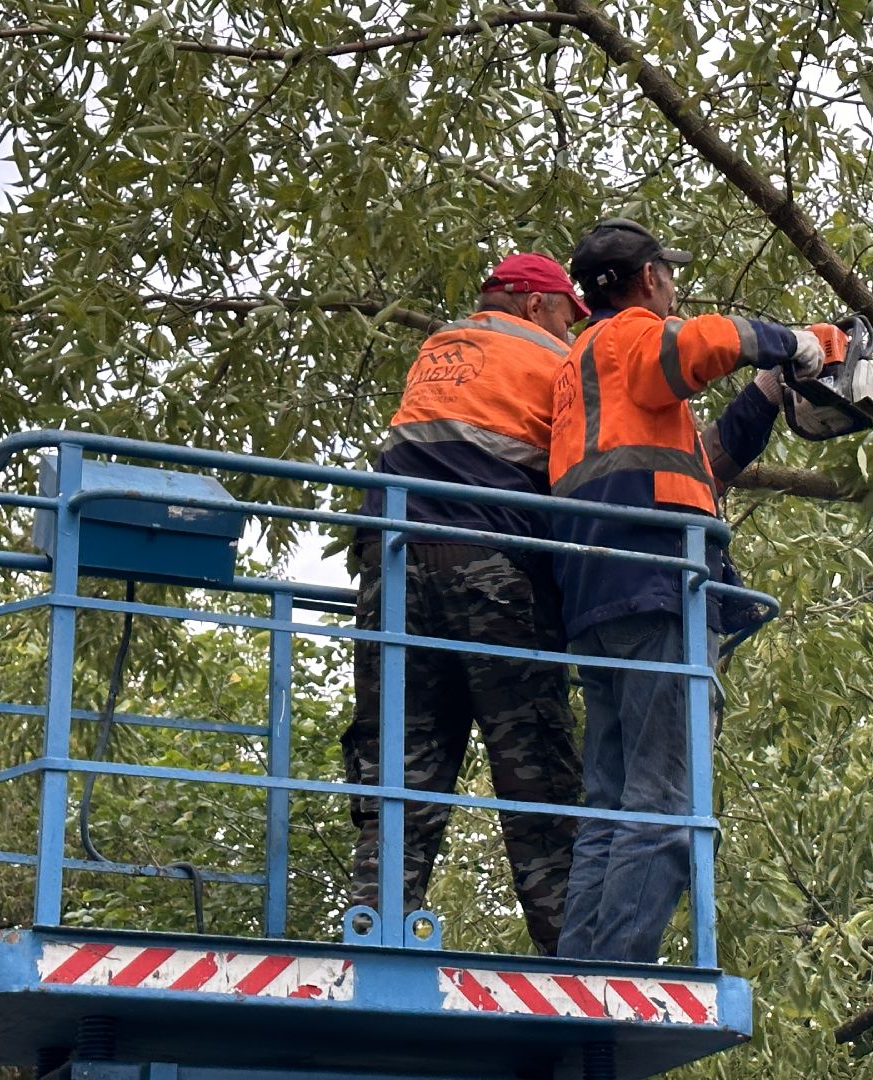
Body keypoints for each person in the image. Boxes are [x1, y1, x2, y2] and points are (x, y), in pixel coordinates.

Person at [549, 218, 844, 962]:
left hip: (600, 591)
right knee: (667, 803)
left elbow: (702, 466)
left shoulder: (586, 375)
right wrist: (795, 343)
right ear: (648, 279)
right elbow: (691, 346)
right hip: (656, 584)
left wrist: (769, 388)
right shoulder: (630, 339)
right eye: (667, 276)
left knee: (612, 806)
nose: (674, 288)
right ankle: (614, 979)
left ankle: (579, 966)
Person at [344, 253, 589, 956]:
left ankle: (373, 930)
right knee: (533, 764)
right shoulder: (555, 360)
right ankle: (568, 957)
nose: (574, 328)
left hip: (390, 573)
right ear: (538, 306)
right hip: (490, 570)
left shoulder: (440, 349)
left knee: (402, 761)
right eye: (569, 314)